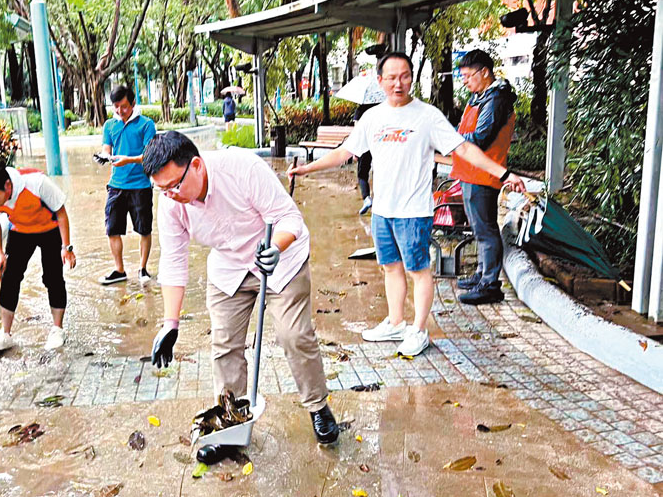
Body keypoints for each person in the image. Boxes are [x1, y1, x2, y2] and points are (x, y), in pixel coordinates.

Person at [288, 52, 525, 357]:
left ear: (411, 78)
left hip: (414, 212)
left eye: (404, 76)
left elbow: (464, 147)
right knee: (390, 268)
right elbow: (345, 152)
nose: (398, 83)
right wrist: (308, 168)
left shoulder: (427, 116)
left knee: (418, 270)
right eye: (391, 77)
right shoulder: (373, 117)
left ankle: (419, 329)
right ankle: (396, 322)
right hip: (383, 210)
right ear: (380, 81)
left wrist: (503, 173)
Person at [143, 131, 339, 456]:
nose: (170, 195)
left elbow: (290, 218)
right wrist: (170, 324)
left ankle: (318, 405)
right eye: (160, 189)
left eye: (174, 185)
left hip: (278, 261)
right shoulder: (171, 204)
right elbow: (174, 262)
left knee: (294, 335)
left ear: (196, 165)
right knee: (224, 347)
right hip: (229, 266)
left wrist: (276, 248)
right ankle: (230, 427)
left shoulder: (241, 168)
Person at [0, 161, 76, 351]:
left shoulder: (36, 183)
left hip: (49, 229)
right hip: (20, 231)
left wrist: (66, 247)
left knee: (53, 278)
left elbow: (61, 212)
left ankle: (57, 329)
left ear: (7, 186)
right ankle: (5, 333)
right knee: (9, 277)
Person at [452, 50, 517, 305]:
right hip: (471, 172)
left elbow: (481, 137)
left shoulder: (496, 99)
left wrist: (452, 139)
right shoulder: (480, 97)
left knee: (486, 229)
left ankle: (490, 284)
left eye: (468, 76)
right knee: (479, 228)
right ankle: (482, 274)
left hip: (484, 172)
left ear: (485, 72)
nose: (465, 81)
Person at [98, 84, 157, 286]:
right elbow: (107, 149)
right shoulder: (109, 125)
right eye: (116, 107)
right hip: (116, 185)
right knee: (112, 229)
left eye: (123, 106)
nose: (120, 111)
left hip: (140, 185)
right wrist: (104, 157)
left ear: (132, 103)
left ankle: (142, 269)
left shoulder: (146, 125)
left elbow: (150, 156)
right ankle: (119, 270)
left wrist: (128, 160)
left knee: (144, 229)